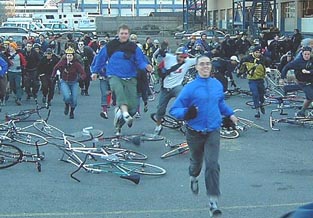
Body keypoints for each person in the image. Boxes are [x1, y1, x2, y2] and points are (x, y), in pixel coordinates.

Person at [169, 55, 238, 215]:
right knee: (197, 163)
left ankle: (213, 201)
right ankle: (193, 176)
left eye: (208, 64)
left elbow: (220, 103)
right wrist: (187, 113)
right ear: (197, 67)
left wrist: (230, 114)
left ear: (211, 67)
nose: (205, 66)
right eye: (202, 64)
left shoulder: (217, 85)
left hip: (213, 131)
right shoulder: (190, 88)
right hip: (194, 132)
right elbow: (174, 109)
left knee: (212, 165)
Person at [91, 24, 153, 135]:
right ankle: (124, 112)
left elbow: (140, 61)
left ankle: (119, 124)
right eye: (122, 33)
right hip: (114, 75)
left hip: (130, 77)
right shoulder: (110, 46)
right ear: (118, 34)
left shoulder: (134, 48)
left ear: (128, 35)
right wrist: (95, 71)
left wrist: (146, 66)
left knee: (133, 108)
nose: (124, 35)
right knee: (119, 92)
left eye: (126, 34)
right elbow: (100, 58)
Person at [154, 46, 196, 135]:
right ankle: (158, 125)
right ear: (176, 55)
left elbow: (199, 60)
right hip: (166, 88)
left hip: (177, 86)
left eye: (184, 57)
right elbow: (161, 53)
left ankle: (185, 121)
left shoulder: (187, 62)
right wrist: (163, 45)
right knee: (161, 108)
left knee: (184, 101)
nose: (182, 59)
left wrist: (211, 54)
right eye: (180, 57)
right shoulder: (169, 58)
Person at [52, 47, 86, 119]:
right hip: (64, 81)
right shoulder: (63, 62)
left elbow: (83, 73)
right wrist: (53, 76)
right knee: (67, 97)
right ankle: (67, 105)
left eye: (70, 55)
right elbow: (55, 67)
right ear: (66, 56)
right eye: (68, 55)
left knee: (74, 99)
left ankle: (72, 111)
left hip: (74, 82)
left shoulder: (76, 64)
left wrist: (80, 78)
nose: (69, 57)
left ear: (73, 56)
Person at [281, 46, 313, 117]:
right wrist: (282, 77)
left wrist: (309, 72)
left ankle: (301, 112)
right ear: (302, 53)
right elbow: (286, 67)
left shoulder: (311, 60)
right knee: (311, 96)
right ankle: (287, 88)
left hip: (311, 81)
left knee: (309, 98)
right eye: (305, 54)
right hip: (303, 82)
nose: (307, 56)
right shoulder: (297, 62)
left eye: (308, 54)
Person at [239, 46, 269, 118]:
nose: (258, 54)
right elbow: (241, 66)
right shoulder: (247, 58)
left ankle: (261, 104)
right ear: (253, 52)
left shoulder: (263, 59)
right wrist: (240, 71)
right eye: (256, 52)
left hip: (260, 79)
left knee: (261, 95)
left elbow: (267, 66)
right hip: (252, 79)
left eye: (259, 52)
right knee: (255, 94)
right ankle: (257, 111)